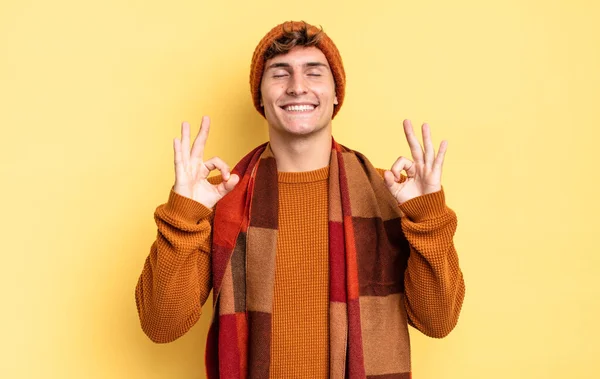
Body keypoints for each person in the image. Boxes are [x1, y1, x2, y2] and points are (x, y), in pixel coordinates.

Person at [135, 20, 465, 379]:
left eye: (313, 72)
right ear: (259, 97)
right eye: (280, 73)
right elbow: (160, 325)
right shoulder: (221, 199)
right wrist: (185, 213)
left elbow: (438, 322)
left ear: (336, 93)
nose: (297, 87)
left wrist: (427, 217)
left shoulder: (390, 196)